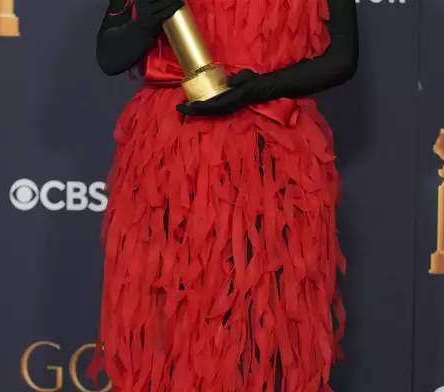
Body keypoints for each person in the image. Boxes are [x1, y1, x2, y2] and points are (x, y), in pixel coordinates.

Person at [89, 0, 358, 389]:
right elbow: (110, 54)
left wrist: (259, 89)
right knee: (170, 313)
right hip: (170, 158)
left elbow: (342, 58)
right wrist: (146, 23)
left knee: (261, 317)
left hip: (272, 155)